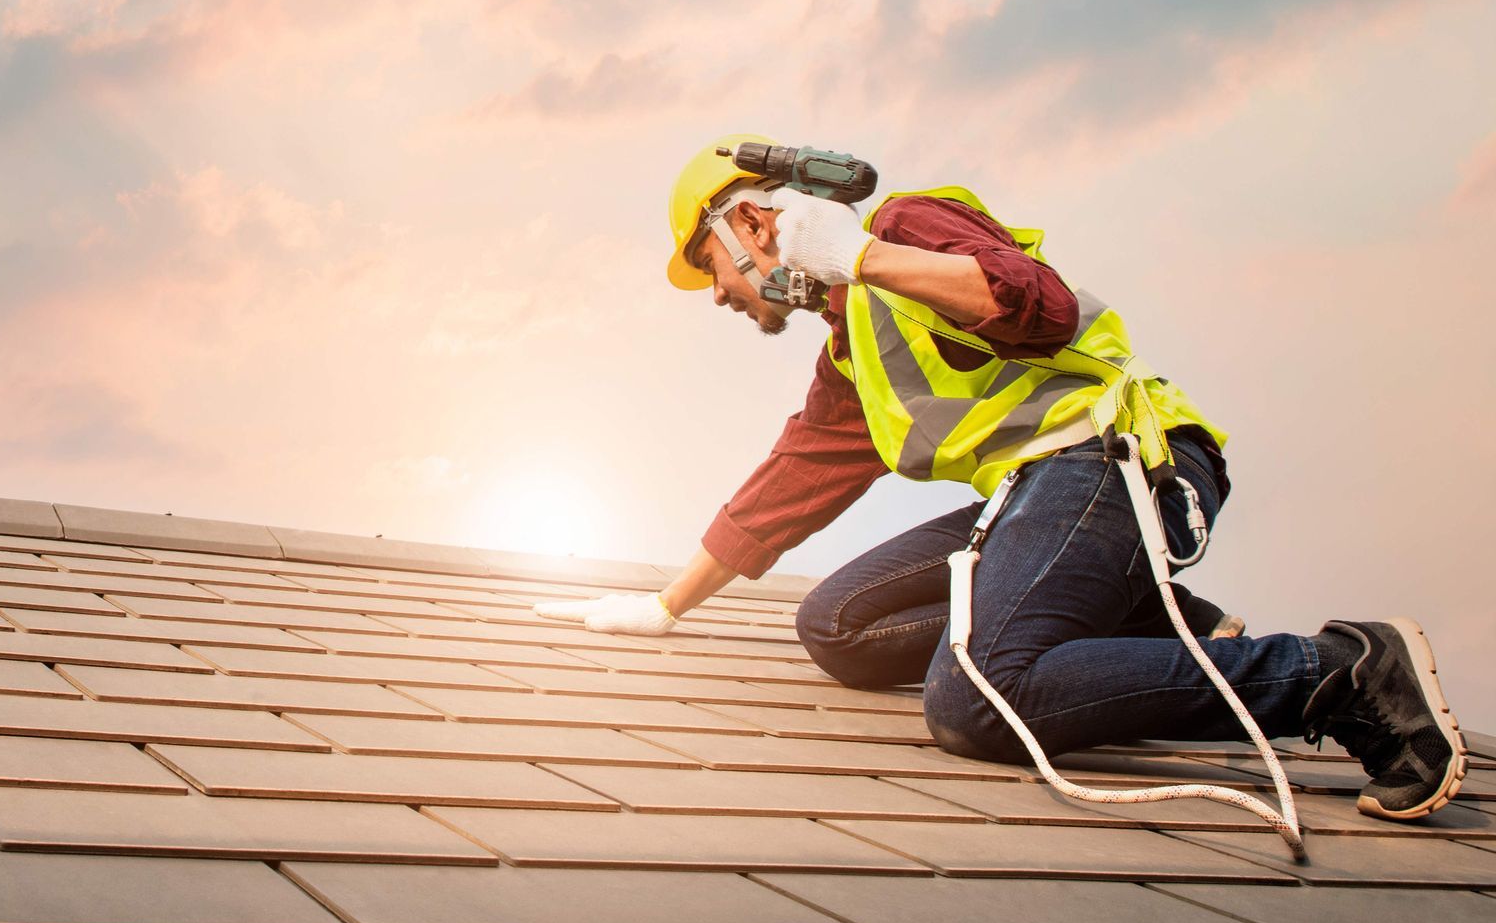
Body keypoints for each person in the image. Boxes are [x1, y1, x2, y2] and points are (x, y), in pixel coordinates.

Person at [537, 133, 1467, 822]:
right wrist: (666, 607)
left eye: (709, 267)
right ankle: (1147, 616)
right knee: (835, 626)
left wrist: (861, 257)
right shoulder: (853, 351)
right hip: (1040, 497)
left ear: (746, 225)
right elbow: (789, 483)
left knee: (978, 695)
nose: (717, 295)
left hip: (1119, 461)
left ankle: (1339, 674)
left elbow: (1041, 309)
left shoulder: (906, 228)